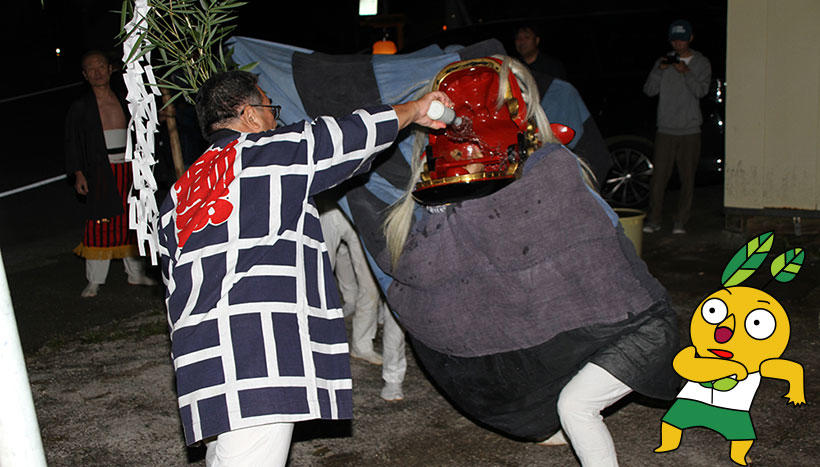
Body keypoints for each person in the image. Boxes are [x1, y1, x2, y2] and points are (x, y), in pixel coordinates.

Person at [378, 56, 679, 466]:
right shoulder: (461, 191)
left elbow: (599, 257)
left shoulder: (552, 170)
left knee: (576, 406)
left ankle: (566, 416)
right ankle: (553, 417)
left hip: (636, 325)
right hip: (599, 324)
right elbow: (436, 273)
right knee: (560, 378)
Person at [157, 70, 448, 466]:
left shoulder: (180, 191)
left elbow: (170, 275)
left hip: (202, 355)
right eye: (270, 109)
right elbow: (350, 134)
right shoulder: (269, 152)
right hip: (256, 353)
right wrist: (415, 109)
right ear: (250, 115)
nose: (276, 120)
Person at [65, 50, 157, 298]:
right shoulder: (81, 106)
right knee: (99, 223)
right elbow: (72, 142)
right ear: (85, 75)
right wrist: (78, 174)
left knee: (133, 220)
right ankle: (95, 280)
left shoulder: (126, 98)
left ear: (110, 69)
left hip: (129, 166)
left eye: (101, 67)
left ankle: (136, 274)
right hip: (98, 171)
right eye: (91, 69)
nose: (97, 72)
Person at [318, 201, 407, 401]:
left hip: (371, 212)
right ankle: (315, 358)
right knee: (318, 284)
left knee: (378, 288)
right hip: (331, 205)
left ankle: (370, 353)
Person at [642, 19, 712, 235]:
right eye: (674, 40)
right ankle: (654, 220)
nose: (678, 44)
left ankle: (681, 221)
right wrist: (660, 70)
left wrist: (686, 72)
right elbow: (649, 90)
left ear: (690, 38)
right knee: (659, 179)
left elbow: (701, 91)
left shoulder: (701, 63)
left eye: (682, 39)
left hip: (690, 131)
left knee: (687, 178)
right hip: (666, 129)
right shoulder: (662, 61)